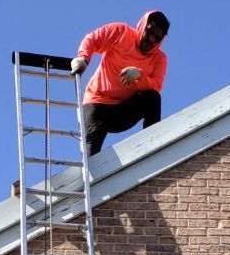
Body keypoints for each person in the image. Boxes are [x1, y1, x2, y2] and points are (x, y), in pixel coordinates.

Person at [70, 11, 170, 156]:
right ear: (143, 26)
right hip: (97, 103)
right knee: (91, 153)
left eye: (157, 38)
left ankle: (153, 149)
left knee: (153, 98)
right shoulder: (121, 32)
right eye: (149, 32)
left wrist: (139, 75)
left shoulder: (159, 59)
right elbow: (93, 39)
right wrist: (83, 59)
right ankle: (90, 177)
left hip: (122, 110)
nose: (151, 39)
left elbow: (156, 86)